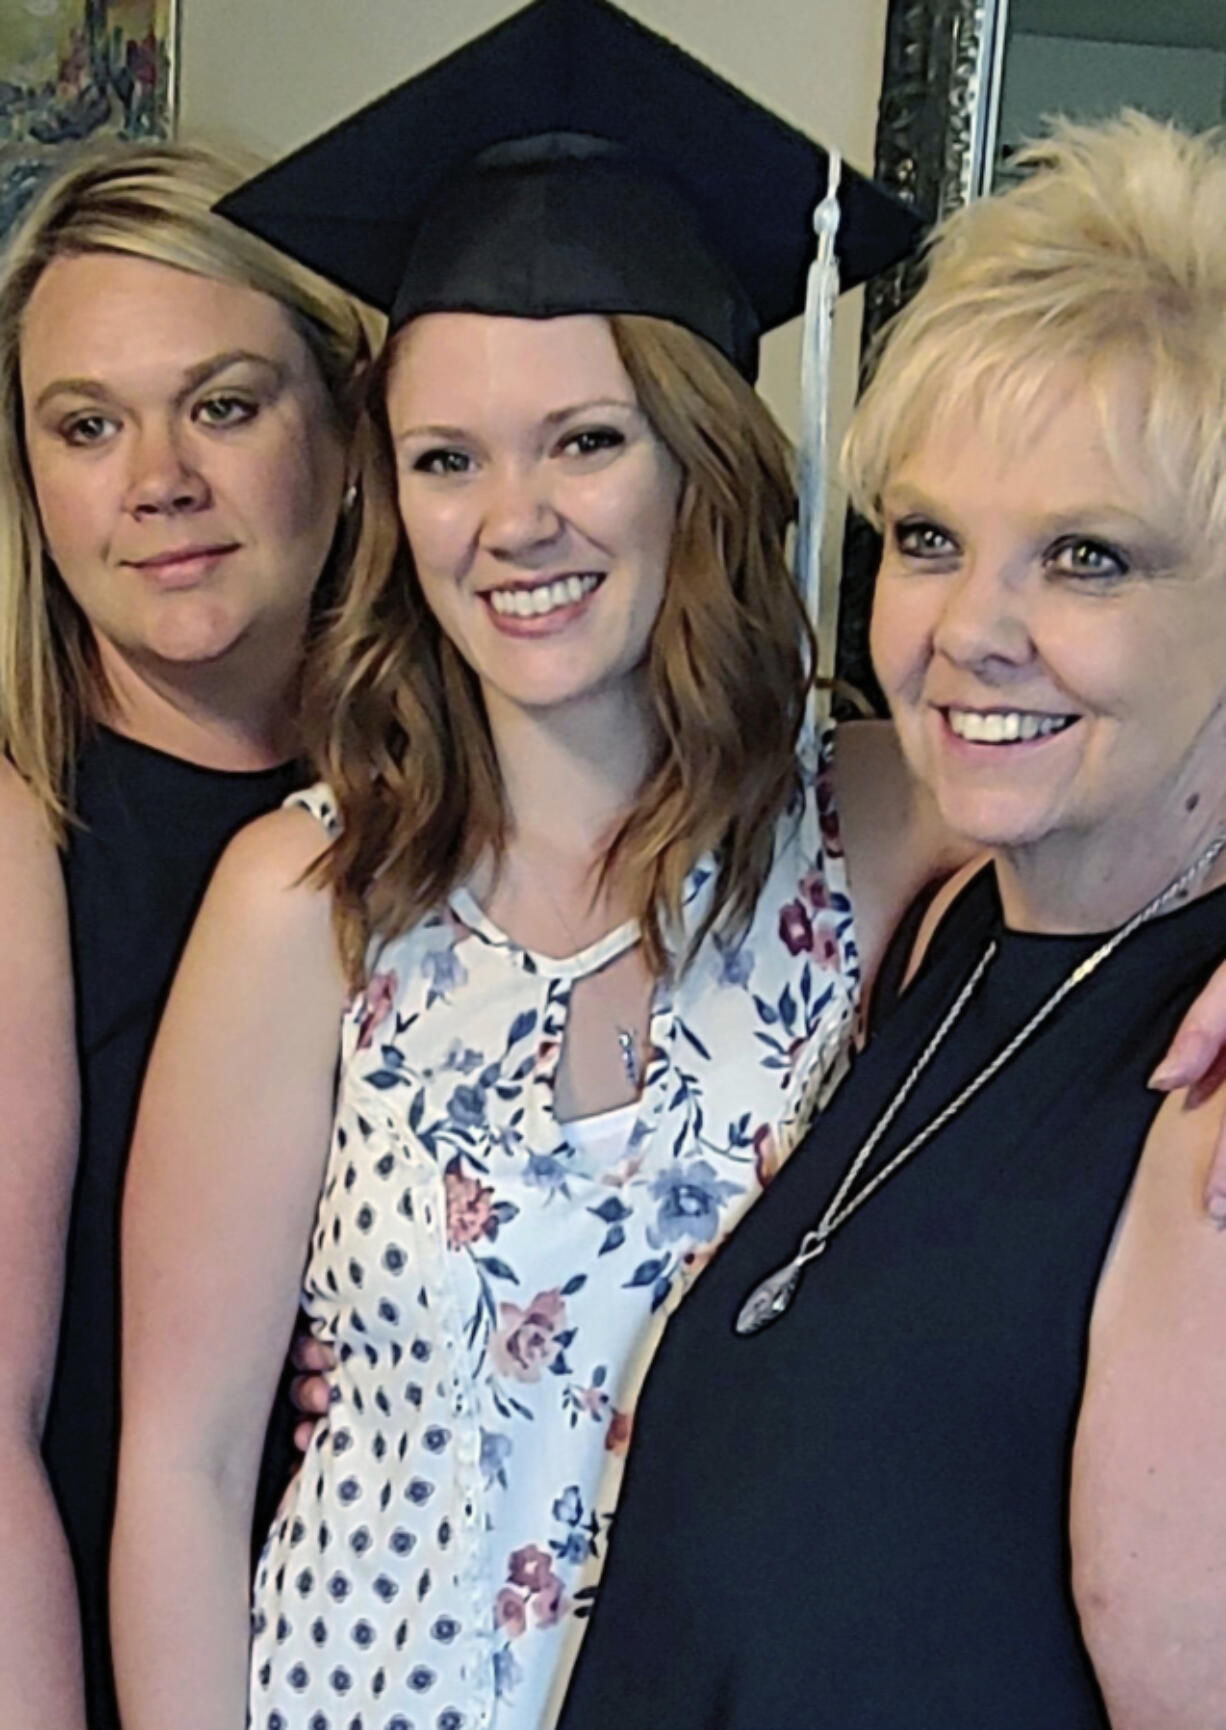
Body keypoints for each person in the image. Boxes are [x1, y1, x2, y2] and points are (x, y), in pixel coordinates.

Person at [107, 3, 960, 1727]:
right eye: (446, 457)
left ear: (696, 460)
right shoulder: (303, 907)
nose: (513, 520)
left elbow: (1157, 765)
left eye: (585, 438)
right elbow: (185, 1468)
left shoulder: (880, 826)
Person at [555, 112, 1226, 1730]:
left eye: (1085, 557)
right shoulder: (945, 931)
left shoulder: (1205, 1100)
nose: (969, 631)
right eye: (926, 539)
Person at [0, 139, 390, 1730]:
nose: (156, 476)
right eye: (86, 425)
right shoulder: (22, 824)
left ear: (349, 436)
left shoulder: (485, 803)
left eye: (223, 404)